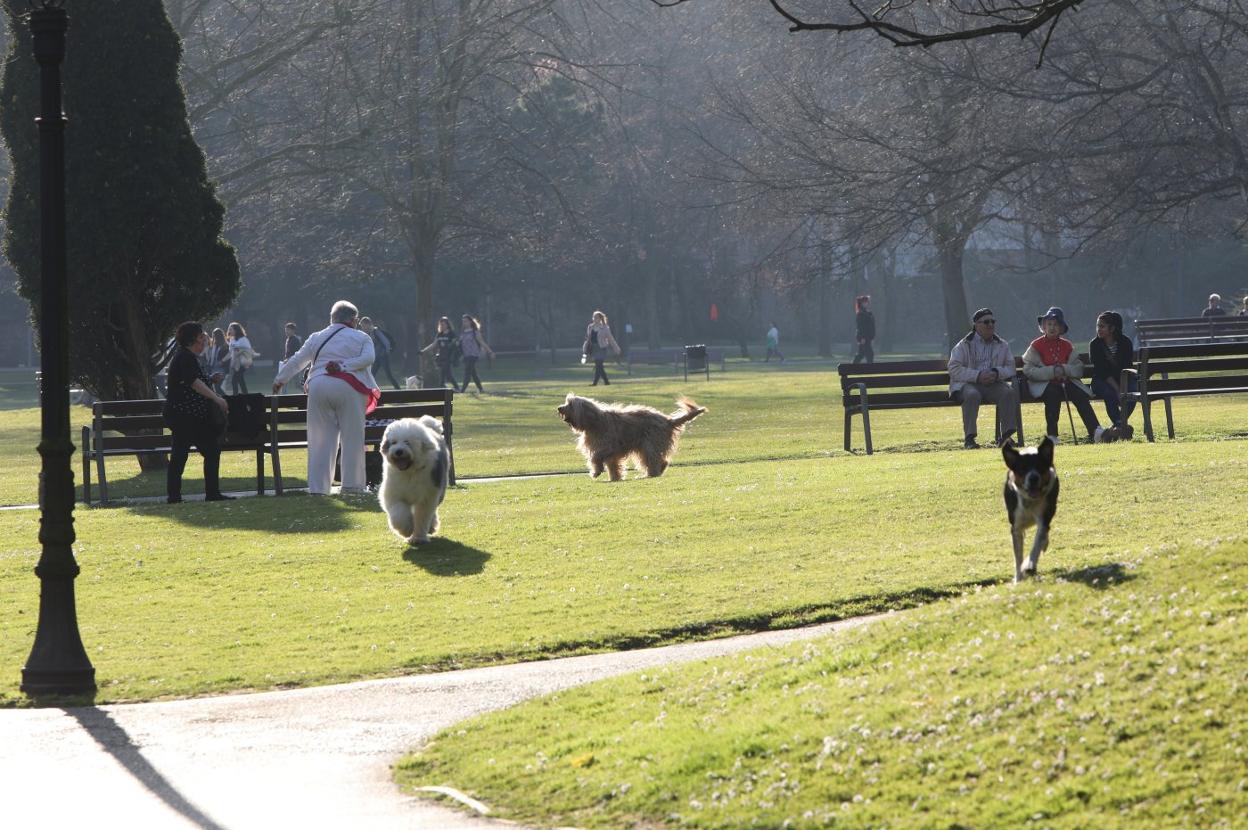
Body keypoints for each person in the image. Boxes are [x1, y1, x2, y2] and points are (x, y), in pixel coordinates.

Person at [272, 301, 381, 495]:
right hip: (350, 387)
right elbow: (369, 358)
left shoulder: (316, 337)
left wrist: (280, 379)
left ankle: (318, 488)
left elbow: (297, 360)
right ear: (353, 319)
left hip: (318, 385)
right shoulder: (362, 337)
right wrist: (343, 366)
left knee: (320, 440)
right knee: (352, 439)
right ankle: (352, 486)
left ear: (332, 318)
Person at [1022, 306, 1115, 444]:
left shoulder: (1067, 345)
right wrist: (1052, 371)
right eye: (1049, 324)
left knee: (1080, 395)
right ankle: (1052, 436)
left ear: (1061, 328)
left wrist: (1064, 370)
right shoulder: (1036, 345)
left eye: (1056, 324)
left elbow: (1078, 369)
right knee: (1052, 395)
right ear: (1043, 326)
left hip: (1067, 383)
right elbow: (1028, 369)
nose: (1052, 327)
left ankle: (1096, 432)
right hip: (1044, 385)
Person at [163, 321, 232, 503]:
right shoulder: (185, 357)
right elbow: (193, 383)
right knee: (184, 454)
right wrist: (216, 398)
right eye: (202, 337)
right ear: (193, 339)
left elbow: (193, 381)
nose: (205, 340)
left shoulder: (188, 357)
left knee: (200, 452)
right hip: (185, 416)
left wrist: (210, 380)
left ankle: (182, 495)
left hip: (191, 416)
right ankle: (196, 494)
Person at [947, 307, 1018, 449]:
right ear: (976, 325)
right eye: (986, 322)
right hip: (968, 384)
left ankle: (1006, 437)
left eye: (993, 321)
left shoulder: (1002, 345)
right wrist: (978, 376)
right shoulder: (963, 345)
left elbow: (1011, 368)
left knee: (1008, 392)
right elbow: (954, 369)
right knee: (972, 395)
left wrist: (996, 373)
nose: (991, 325)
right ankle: (970, 439)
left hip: (993, 384)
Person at [1089, 311, 1137, 440]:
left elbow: (1127, 365)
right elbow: (1102, 371)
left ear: (1112, 328)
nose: (1099, 329)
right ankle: (1121, 426)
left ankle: (1118, 427)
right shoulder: (1095, 345)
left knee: (1133, 393)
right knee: (1109, 393)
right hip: (1102, 381)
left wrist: (1123, 387)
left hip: (1124, 378)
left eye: (1102, 326)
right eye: (1098, 326)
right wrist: (1117, 389)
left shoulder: (1125, 342)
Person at [361, 316, 402, 390]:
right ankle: (369, 392)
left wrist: (386, 353)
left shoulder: (376, 331)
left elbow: (386, 343)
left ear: (368, 324)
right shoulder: (370, 333)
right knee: (371, 375)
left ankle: (399, 391)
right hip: (377, 357)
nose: (363, 328)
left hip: (382, 357)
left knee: (388, 375)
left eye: (363, 325)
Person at [458, 314, 494, 394]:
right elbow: (460, 344)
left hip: (473, 355)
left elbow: (482, 342)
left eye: (466, 321)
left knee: (467, 371)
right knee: (473, 373)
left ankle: (462, 390)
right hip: (466, 355)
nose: (464, 323)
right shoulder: (463, 333)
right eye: (463, 322)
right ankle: (481, 389)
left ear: (470, 322)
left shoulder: (475, 332)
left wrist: (490, 352)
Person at [420, 316, 459, 389]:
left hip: (449, 357)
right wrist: (423, 351)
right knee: (443, 374)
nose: (442, 326)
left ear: (447, 324)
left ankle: (456, 388)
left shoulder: (451, 334)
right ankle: (442, 387)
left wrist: (453, 345)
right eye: (441, 324)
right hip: (441, 356)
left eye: (444, 324)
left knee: (447, 374)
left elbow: (456, 343)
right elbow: (434, 344)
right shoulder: (439, 334)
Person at [585, 310, 621, 386]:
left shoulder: (605, 328)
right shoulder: (590, 327)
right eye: (594, 317)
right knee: (599, 366)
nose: (595, 319)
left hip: (601, 348)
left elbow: (611, 339)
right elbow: (588, 339)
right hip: (594, 349)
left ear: (600, 319)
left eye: (596, 317)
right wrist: (585, 348)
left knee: (598, 364)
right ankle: (606, 382)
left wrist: (616, 348)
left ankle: (595, 383)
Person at [226, 321, 255, 395]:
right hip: (236, 363)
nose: (229, 331)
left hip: (243, 363)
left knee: (234, 380)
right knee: (240, 380)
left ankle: (235, 397)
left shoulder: (243, 339)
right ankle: (246, 396)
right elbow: (231, 352)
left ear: (236, 330)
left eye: (231, 329)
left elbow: (248, 351)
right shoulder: (232, 339)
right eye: (229, 329)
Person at [206, 328, 229, 395]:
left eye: (214, 335)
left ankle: (226, 399)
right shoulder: (213, 345)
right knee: (215, 388)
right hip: (213, 368)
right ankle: (221, 400)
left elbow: (229, 357)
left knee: (217, 387)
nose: (213, 337)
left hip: (221, 368)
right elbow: (211, 357)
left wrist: (222, 361)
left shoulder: (225, 346)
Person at [853, 295, 875, 363]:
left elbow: (871, 326)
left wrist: (872, 337)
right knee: (869, 354)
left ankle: (851, 368)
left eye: (867, 302)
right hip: (864, 338)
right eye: (865, 302)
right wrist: (862, 337)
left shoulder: (868, 313)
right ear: (861, 303)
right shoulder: (861, 314)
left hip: (868, 337)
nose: (866, 303)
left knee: (861, 354)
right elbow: (860, 327)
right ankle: (869, 369)